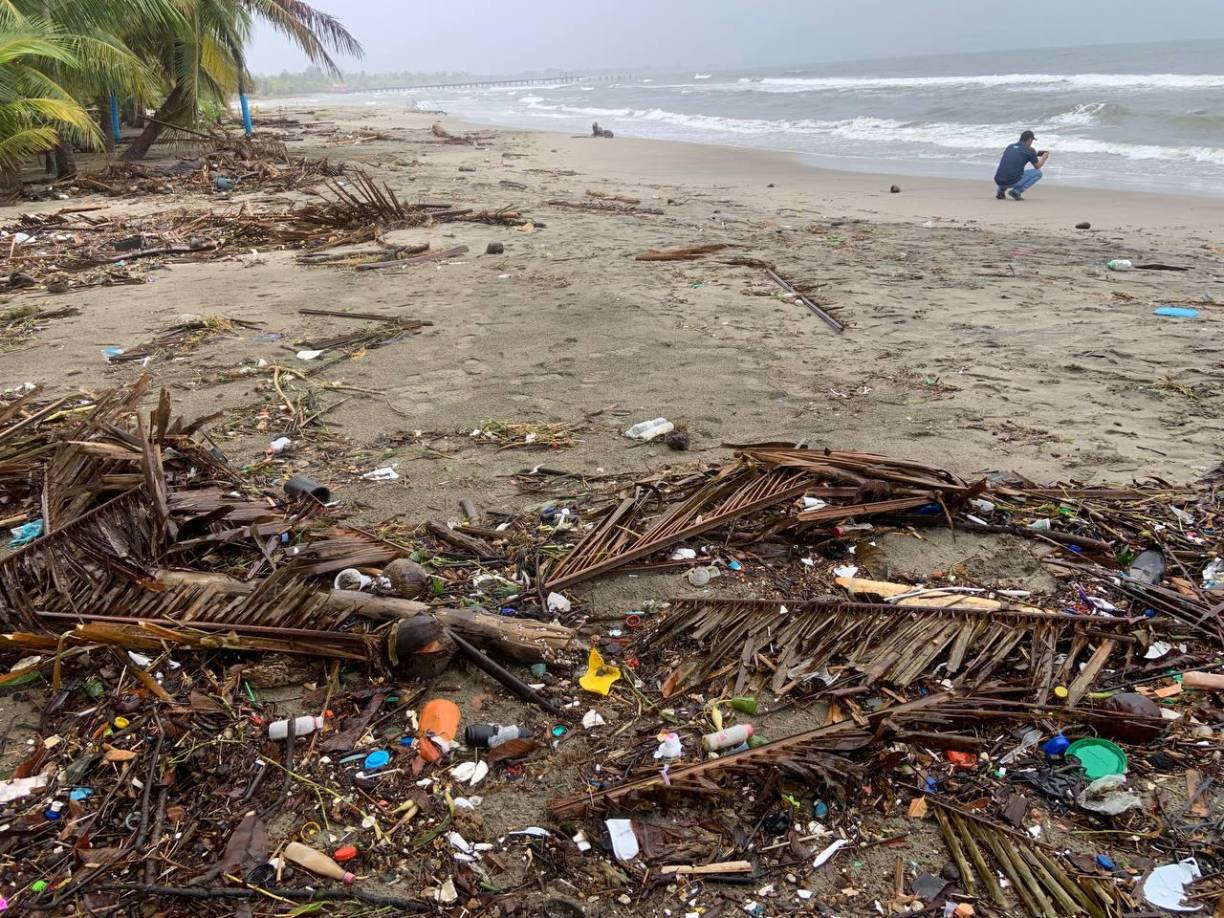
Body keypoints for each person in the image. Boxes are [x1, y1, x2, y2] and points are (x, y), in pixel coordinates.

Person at [994, 130, 1049, 200]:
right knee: (1038, 173)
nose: (1032, 142)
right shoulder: (1030, 150)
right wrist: (1044, 158)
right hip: (1012, 181)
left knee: (1008, 170)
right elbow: (1037, 166)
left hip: (999, 180)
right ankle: (1016, 191)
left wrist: (1032, 153)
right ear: (1029, 139)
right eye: (1032, 140)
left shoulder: (1010, 146)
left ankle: (1000, 192)